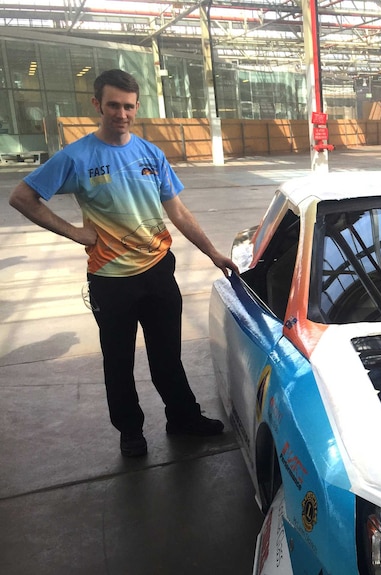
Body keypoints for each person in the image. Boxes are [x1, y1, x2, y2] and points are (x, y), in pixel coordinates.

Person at [9, 69, 239, 457]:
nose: (121, 113)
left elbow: (178, 212)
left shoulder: (151, 154)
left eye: (128, 106)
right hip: (111, 280)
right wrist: (74, 232)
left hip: (158, 271)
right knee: (118, 361)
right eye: (113, 105)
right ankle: (130, 431)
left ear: (136, 107)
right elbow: (22, 197)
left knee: (168, 355)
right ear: (97, 105)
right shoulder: (77, 156)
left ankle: (183, 418)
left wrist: (212, 252)